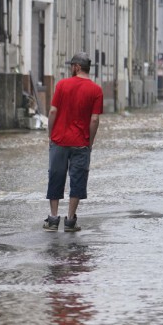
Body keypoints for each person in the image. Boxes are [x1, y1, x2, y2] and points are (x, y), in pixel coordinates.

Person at [43, 52, 103, 232]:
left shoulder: (62, 85)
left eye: (71, 66)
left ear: (76, 67)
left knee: (56, 176)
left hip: (59, 141)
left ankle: (53, 219)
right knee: (77, 180)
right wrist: (90, 142)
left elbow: (53, 112)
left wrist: (50, 133)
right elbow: (94, 120)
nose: (70, 69)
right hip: (81, 143)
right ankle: (70, 221)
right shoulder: (96, 90)